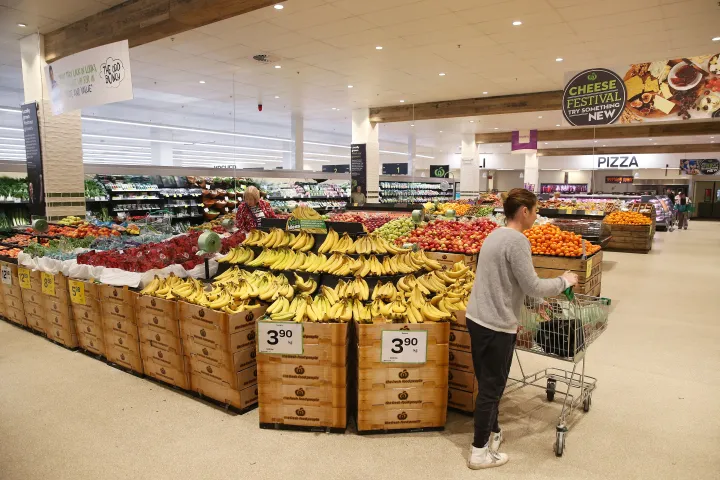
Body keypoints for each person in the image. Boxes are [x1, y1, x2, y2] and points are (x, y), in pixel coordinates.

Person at [465, 188, 578, 470]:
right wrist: (564, 281)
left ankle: (492, 433)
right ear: (524, 211)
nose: (537, 214)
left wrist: (536, 303)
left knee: (486, 382)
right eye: (536, 210)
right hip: (496, 324)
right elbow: (532, 284)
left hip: (477, 317)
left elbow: (509, 279)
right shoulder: (517, 241)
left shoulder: (495, 234)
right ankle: (478, 453)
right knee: (492, 389)